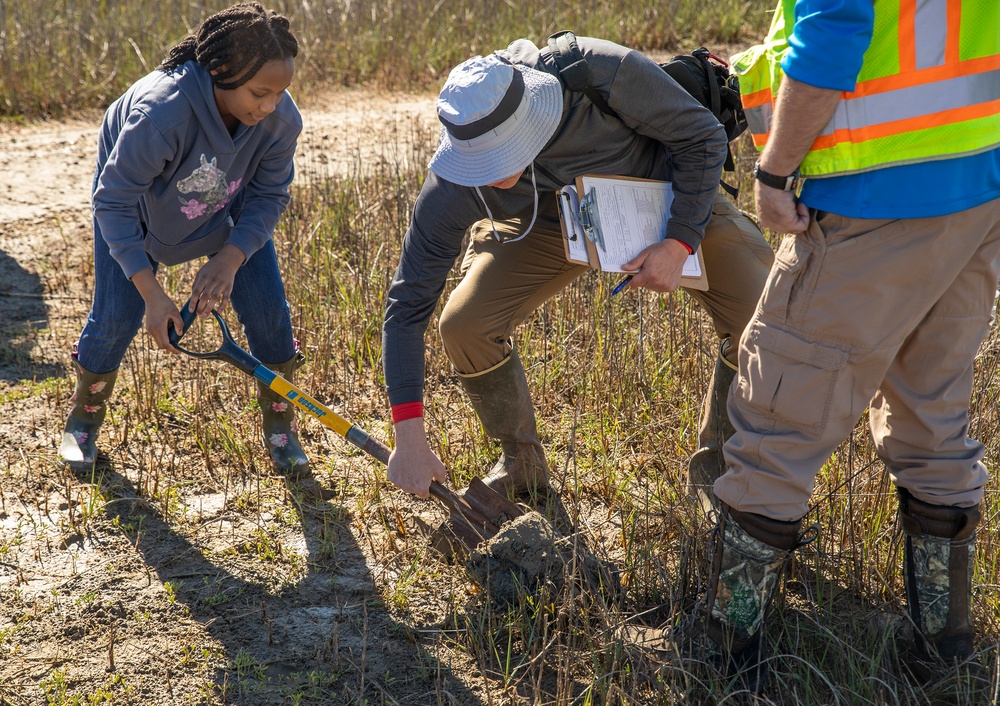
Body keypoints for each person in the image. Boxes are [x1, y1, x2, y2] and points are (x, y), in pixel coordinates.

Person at [685, 0, 1000, 692]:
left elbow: (832, 34)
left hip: (872, 195)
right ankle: (942, 661)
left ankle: (722, 663)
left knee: (777, 421)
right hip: (978, 185)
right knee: (934, 421)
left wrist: (772, 176)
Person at [382, 36, 775, 504]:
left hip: (661, 194)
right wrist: (408, 439)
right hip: (544, 220)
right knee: (465, 325)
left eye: (499, 158)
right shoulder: (453, 185)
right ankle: (521, 469)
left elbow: (703, 135)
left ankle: (719, 475)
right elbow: (406, 306)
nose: (486, 175)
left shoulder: (598, 72)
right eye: (477, 164)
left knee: (763, 312)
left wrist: (678, 241)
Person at [58, 3, 310, 478]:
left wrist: (232, 256)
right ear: (220, 71)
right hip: (136, 210)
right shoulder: (161, 115)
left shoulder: (278, 121)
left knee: (270, 314)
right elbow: (112, 202)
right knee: (115, 318)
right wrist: (152, 293)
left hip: (224, 204)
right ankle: (84, 420)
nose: (271, 105)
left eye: (280, 93)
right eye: (260, 92)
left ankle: (281, 428)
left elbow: (270, 194)